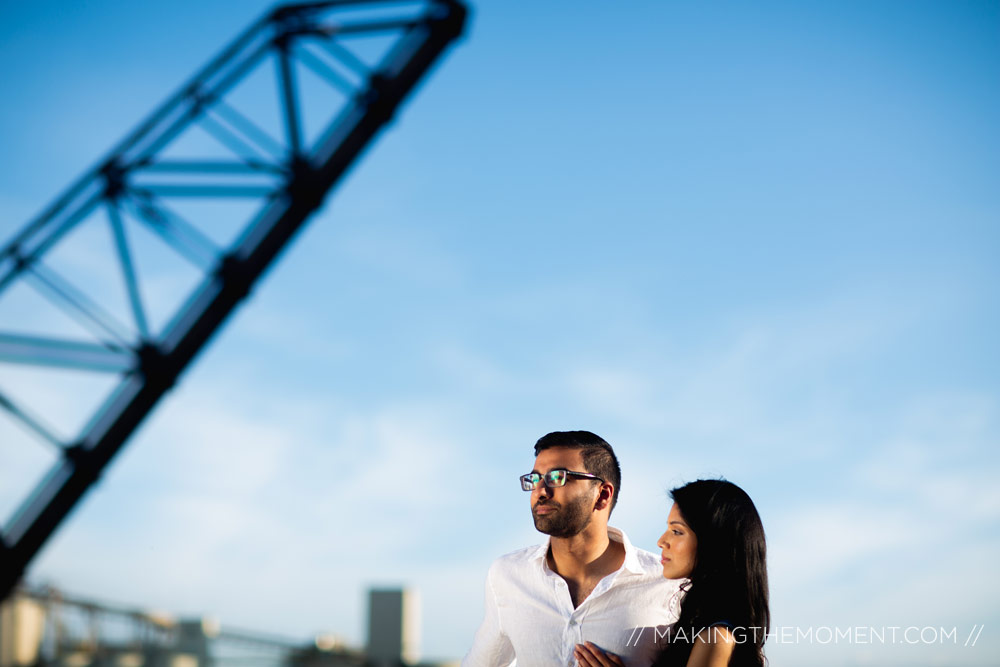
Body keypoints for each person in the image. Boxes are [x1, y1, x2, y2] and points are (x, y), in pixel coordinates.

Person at [462, 431, 682, 667]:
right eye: (535, 480)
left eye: (557, 477)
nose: (541, 491)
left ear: (602, 495)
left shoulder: (670, 584)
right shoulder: (507, 575)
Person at [575, 479, 770, 667]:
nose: (661, 541)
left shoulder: (715, 638)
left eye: (677, 531)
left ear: (714, 541)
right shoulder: (701, 621)